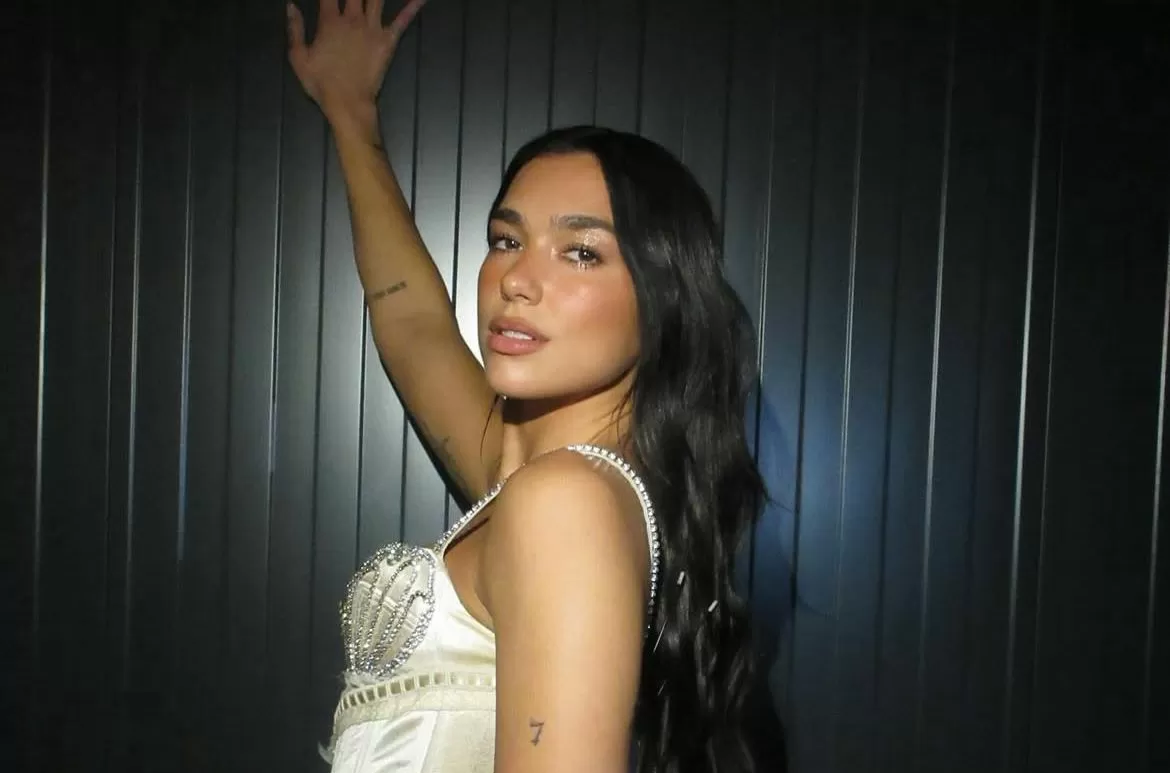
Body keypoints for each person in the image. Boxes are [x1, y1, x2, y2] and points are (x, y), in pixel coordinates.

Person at [287, 0, 767, 771]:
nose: (517, 278)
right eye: (507, 239)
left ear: (662, 300)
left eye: (580, 252)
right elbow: (414, 326)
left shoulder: (562, 502)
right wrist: (351, 115)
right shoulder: (532, 480)